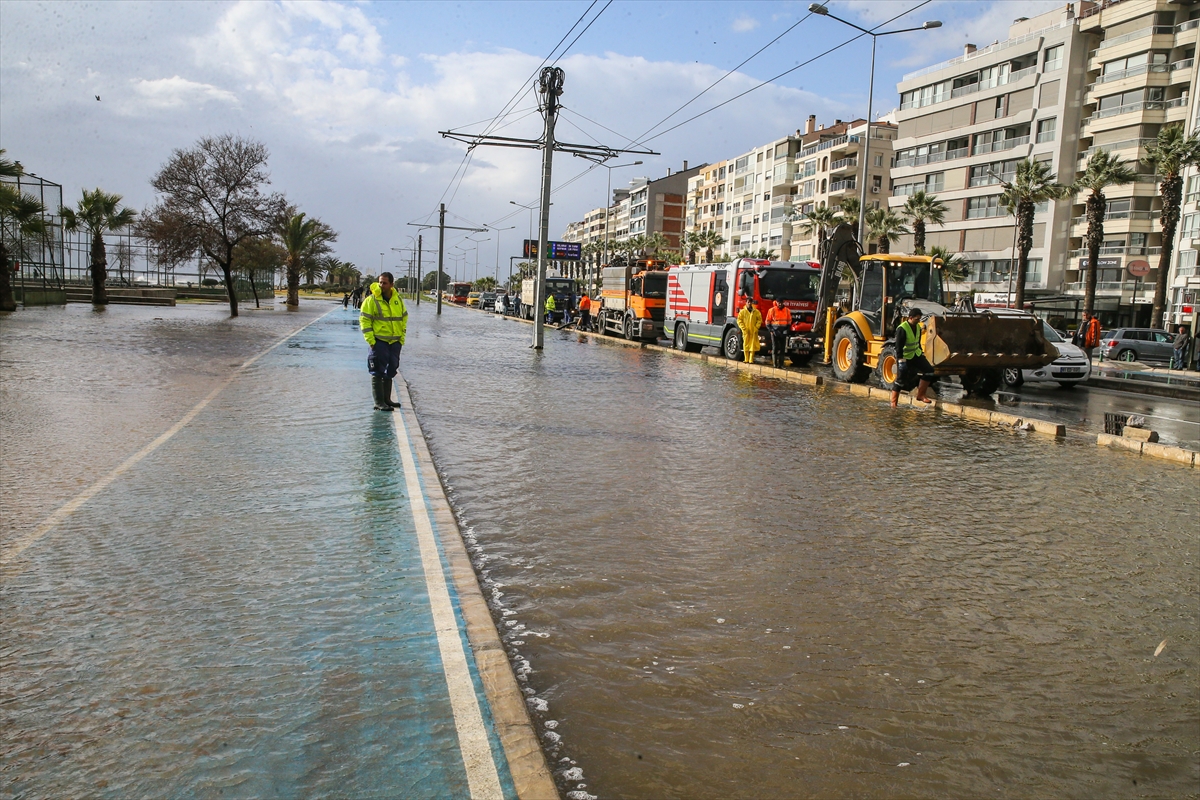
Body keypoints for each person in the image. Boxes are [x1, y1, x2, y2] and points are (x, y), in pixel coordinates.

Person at [360, 272, 408, 412]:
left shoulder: (397, 299)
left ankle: (387, 399)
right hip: (379, 342)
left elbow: (404, 317)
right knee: (377, 371)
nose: (381, 285)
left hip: (395, 342)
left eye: (385, 283)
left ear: (392, 284)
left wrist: (401, 338)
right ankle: (379, 402)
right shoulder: (372, 300)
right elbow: (365, 320)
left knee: (391, 369)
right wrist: (370, 339)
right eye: (380, 282)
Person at [892, 307, 934, 408]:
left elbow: (917, 342)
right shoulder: (902, 329)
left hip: (916, 354)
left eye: (919, 319)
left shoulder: (918, 327)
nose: (918, 321)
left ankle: (921, 395)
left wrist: (921, 353)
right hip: (905, 357)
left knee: (929, 371)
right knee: (901, 379)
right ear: (910, 318)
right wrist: (900, 360)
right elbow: (898, 347)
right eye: (916, 319)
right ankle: (893, 402)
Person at [765, 299, 791, 368]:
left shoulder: (787, 310)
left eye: (781, 302)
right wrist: (772, 331)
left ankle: (781, 364)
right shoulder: (772, 310)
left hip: (783, 331)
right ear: (776, 302)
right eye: (778, 303)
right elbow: (767, 322)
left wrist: (786, 330)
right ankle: (775, 364)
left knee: (782, 348)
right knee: (775, 348)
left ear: (783, 303)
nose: (780, 304)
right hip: (775, 332)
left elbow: (789, 322)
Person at [736, 298, 762, 364]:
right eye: (748, 302)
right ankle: (746, 359)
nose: (749, 303)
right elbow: (739, 320)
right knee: (746, 344)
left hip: (753, 331)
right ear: (746, 303)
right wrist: (743, 328)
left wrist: (756, 328)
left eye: (750, 302)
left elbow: (759, 320)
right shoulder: (742, 312)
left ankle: (751, 359)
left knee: (752, 345)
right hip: (746, 331)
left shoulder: (756, 312)